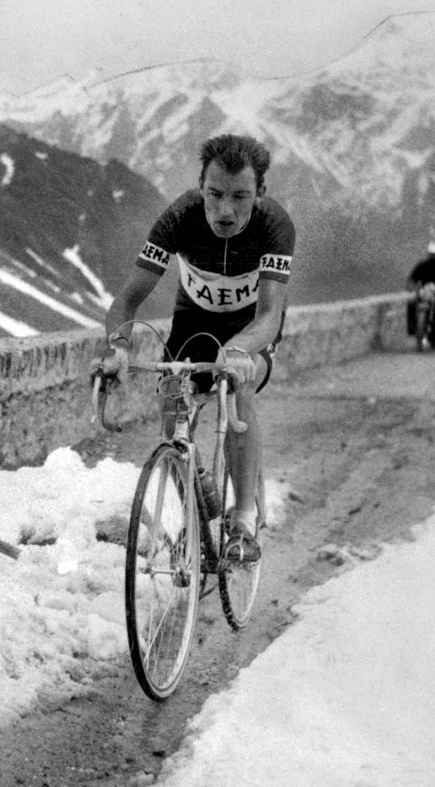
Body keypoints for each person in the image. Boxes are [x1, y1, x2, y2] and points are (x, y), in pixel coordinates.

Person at [93, 133, 295, 563]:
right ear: (200, 186)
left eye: (240, 196)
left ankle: (242, 521)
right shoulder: (179, 217)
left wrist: (238, 351)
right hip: (194, 321)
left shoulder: (275, 225)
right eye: (214, 194)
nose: (225, 210)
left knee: (237, 391)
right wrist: (118, 349)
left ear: (260, 193)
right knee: (173, 408)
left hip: (251, 326)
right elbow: (127, 301)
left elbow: (271, 315)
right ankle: (199, 491)